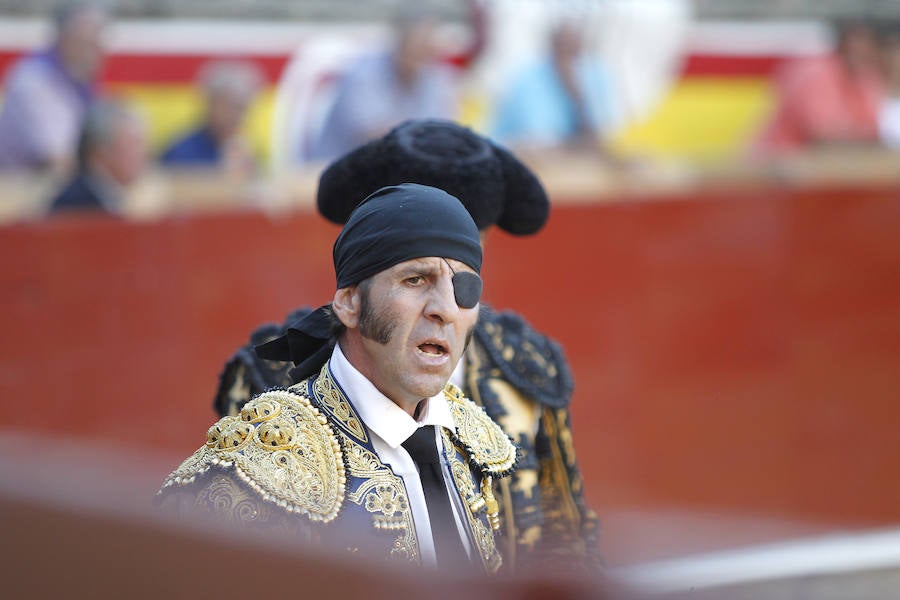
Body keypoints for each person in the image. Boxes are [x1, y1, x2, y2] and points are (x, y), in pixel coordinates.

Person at [214, 120, 601, 574]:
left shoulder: (526, 366)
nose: (443, 304)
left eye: (460, 271)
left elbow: (565, 545)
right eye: (415, 276)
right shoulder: (273, 384)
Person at [159, 183, 517, 573]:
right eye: (415, 280)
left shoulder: (473, 441)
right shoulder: (258, 471)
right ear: (349, 303)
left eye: (464, 286)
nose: (446, 309)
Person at [308, 11, 459, 162]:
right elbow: (370, 136)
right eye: (419, 46)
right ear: (400, 43)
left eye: (429, 47)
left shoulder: (433, 76)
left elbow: (442, 132)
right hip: (335, 165)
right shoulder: (363, 73)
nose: (425, 53)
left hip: (393, 167)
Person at [0, 1, 109, 174]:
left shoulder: (79, 80)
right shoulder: (34, 81)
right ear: (63, 39)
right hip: (15, 186)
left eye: (97, 41)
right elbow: (60, 161)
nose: (97, 50)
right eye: (85, 42)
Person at [753, 19, 884, 157]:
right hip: (781, 158)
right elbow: (822, 135)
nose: (862, 53)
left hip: (822, 161)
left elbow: (873, 130)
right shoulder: (817, 73)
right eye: (856, 47)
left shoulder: (866, 76)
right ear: (842, 46)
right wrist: (863, 138)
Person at [488, 21, 617, 152]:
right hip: (512, 154)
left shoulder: (594, 73)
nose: (567, 57)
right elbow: (541, 142)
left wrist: (576, 95)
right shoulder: (529, 78)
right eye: (563, 47)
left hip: (565, 157)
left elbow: (601, 137)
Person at [159, 60, 263, 175]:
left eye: (243, 108)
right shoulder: (181, 152)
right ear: (210, 104)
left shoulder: (249, 151)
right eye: (230, 107)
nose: (237, 116)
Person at [48, 98, 147, 214]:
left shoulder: (109, 199)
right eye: (132, 144)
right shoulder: (74, 207)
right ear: (99, 153)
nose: (142, 154)